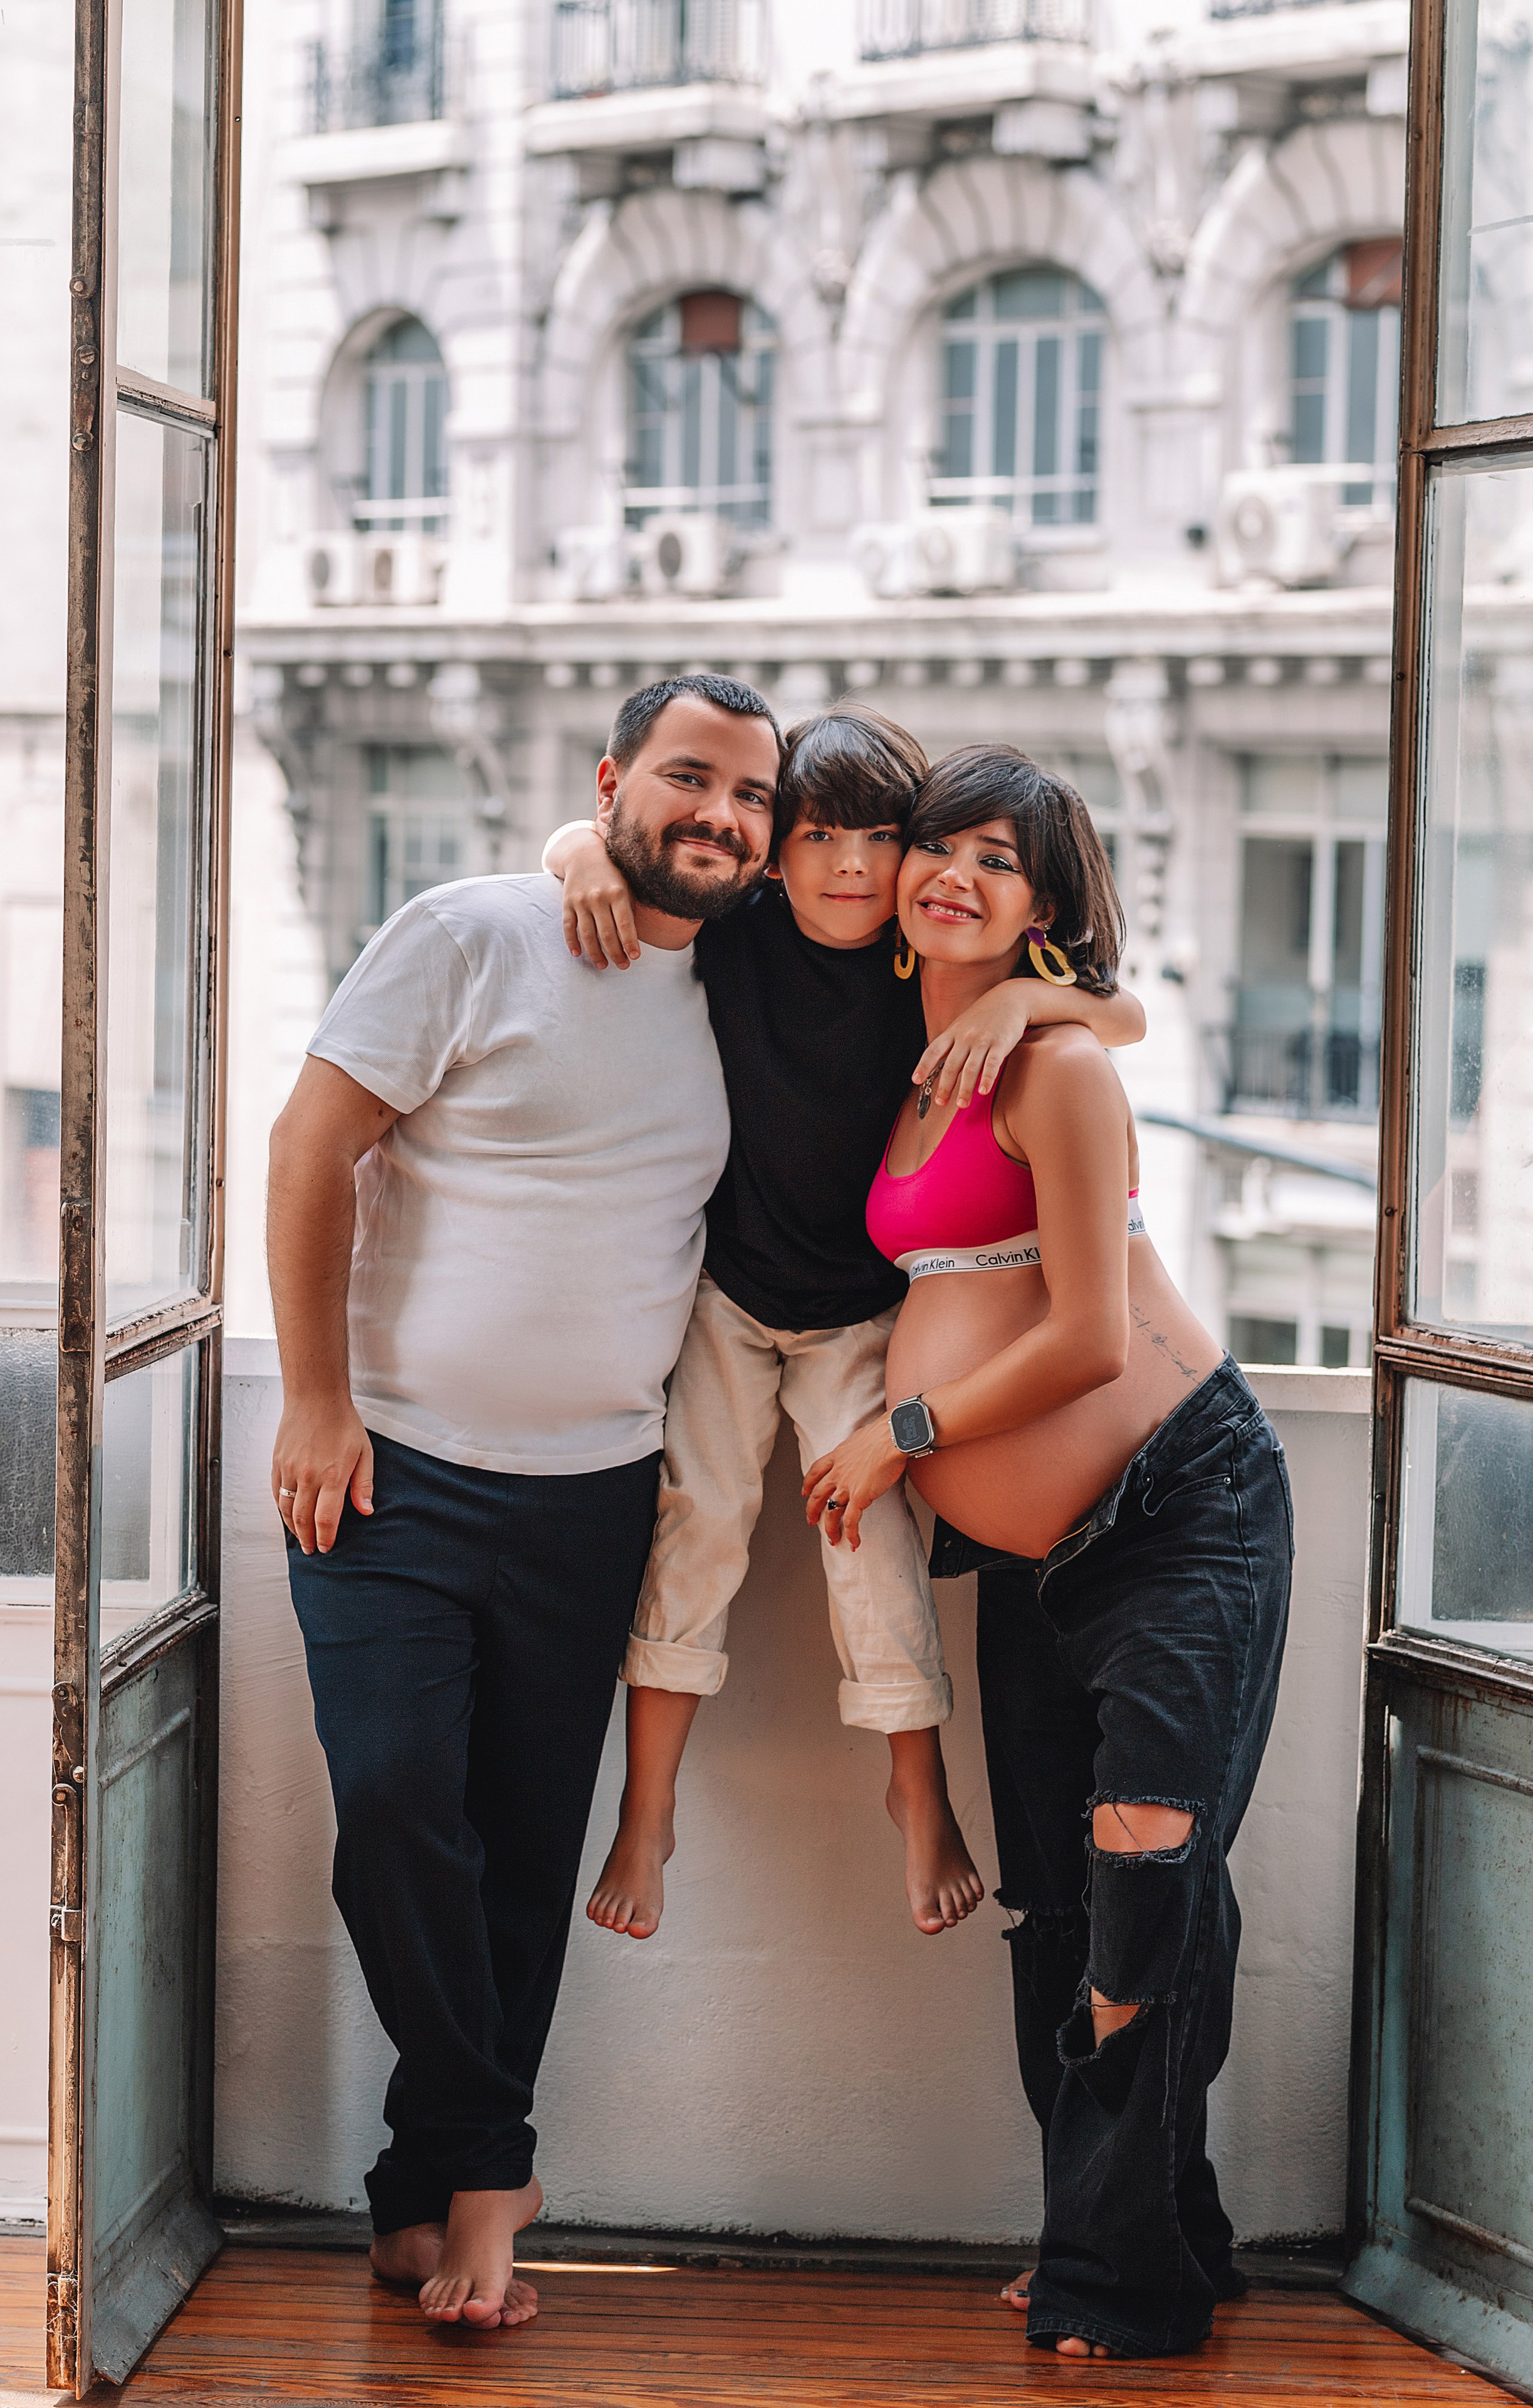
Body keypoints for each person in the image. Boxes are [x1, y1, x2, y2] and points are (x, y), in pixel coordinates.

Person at [266, 673, 781, 2332]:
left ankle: (421, 2202)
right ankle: (498, 2158)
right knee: (399, 1803)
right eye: (686, 778)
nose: (716, 814)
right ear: (617, 777)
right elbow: (306, 1142)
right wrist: (319, 1398)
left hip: (594, 1501)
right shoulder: (479, 927)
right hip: (390, 1474)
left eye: (749, 798)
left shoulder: (758, 990)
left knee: (513, 1862)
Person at [801, 745, 1293, 2363]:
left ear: (1049, 907)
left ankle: (1117, 2274)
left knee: (1147, 1869)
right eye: (942, 846)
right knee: (1065, 1916)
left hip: (1178, 1509)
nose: (955, 874)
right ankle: (1146, 2224)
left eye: (1001, 862)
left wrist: (902, 1435)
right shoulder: (921, 1044)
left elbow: (1087, 1336)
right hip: (1029, 1562)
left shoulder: (1053, 1066)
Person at [542, 705, 1146, 1941]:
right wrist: (582, 848)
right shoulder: (740, 925)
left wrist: (1024, 1010)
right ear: (775, 847)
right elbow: (589, 844)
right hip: (723, 1291)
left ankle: (914, 1791)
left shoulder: (919, 960)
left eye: (882, 837)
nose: (853, 866)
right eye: (819, 835)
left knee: (864, 1532)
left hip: (856, 1315)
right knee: (696, 1523)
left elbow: (1115, 1009)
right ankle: (646, 1810)